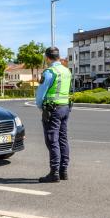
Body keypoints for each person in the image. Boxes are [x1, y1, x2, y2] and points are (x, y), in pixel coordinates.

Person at [35, 46, 72, 183]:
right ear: (58, 56)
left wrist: (40, 106)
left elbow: (41, 94)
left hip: (52, 109)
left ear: (47, 58)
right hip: (65, 107)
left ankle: (54, 172)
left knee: (52, 140)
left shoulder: (49, 72)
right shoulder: (66, 70)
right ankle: (64, 171)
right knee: (63, 139)